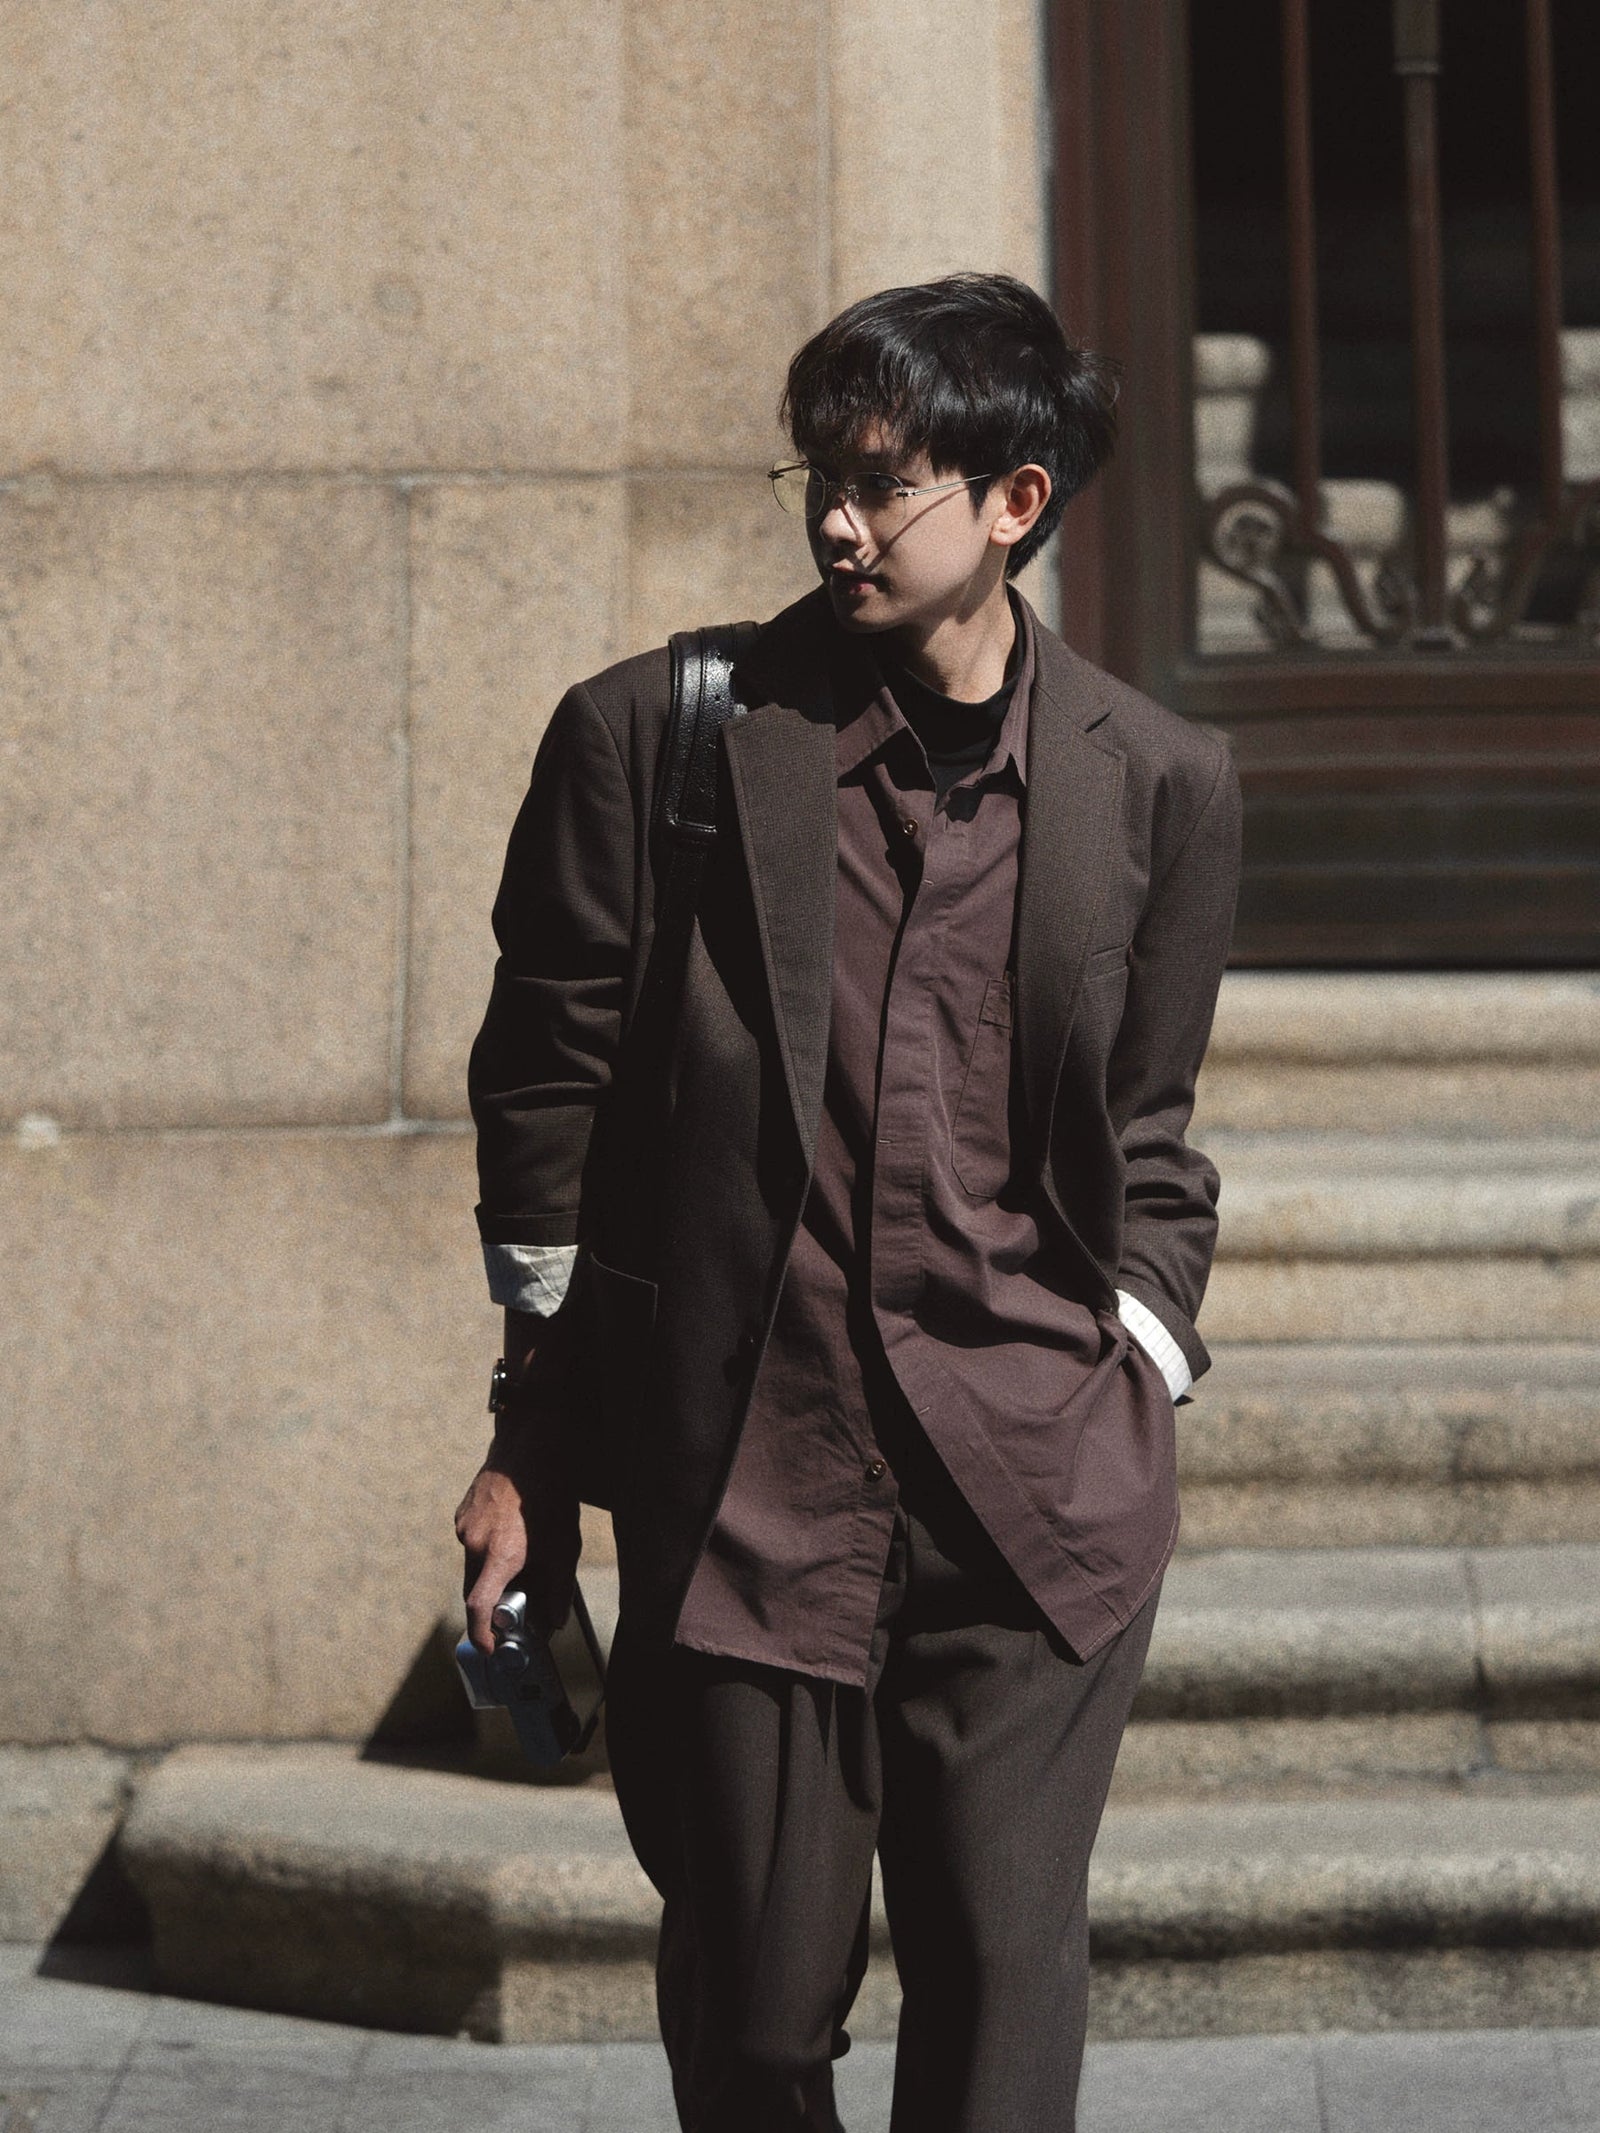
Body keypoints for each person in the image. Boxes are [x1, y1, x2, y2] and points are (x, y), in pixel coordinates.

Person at [454, 271, 1241, 2132]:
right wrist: (529, 1438)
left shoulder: (1163, 785)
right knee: (751, 2020)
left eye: (884, 484)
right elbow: (545, 1106)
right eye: (822, 475)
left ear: (1016, 503)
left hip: (1035, 1493)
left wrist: (1139, 1344)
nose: (836, 521)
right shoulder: (655, 738)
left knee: (998, 1998)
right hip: (750, 1481)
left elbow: (1150, 1133)